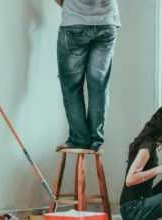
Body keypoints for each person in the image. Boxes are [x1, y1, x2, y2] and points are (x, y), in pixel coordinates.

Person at [55, 0, 120, 151]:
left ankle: (79, 139)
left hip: (74, 22)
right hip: (107, 22)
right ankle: (95, 139)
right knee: (99, 85)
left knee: (71, 87)